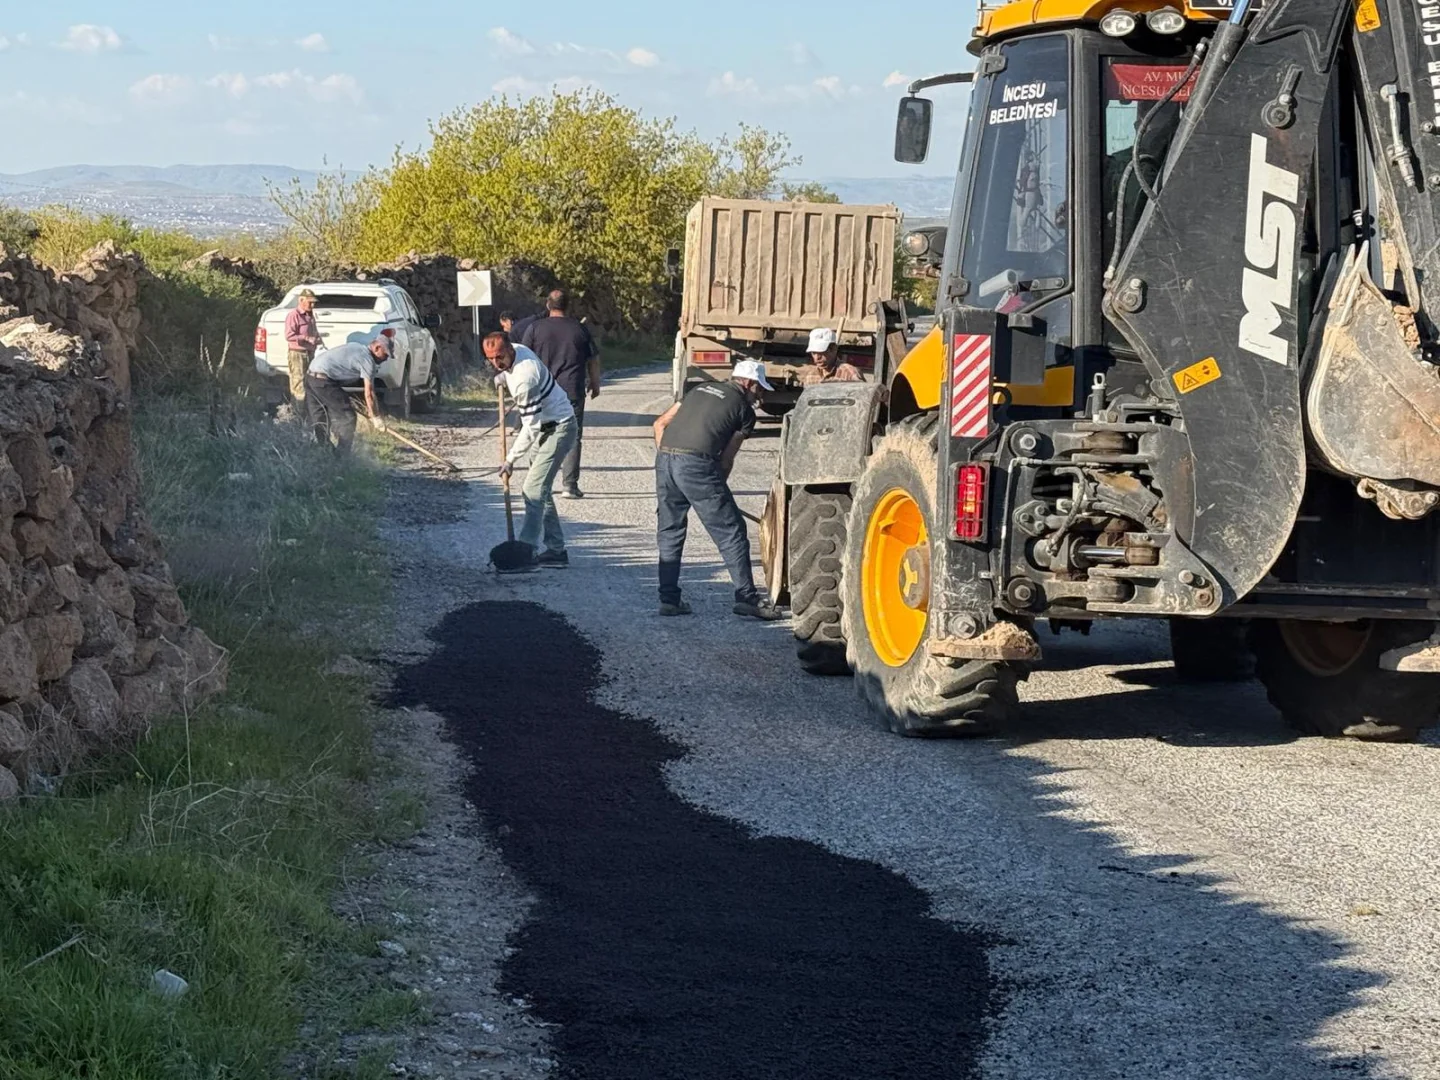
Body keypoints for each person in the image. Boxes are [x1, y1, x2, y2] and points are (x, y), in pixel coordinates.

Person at [651, 360, 782, 620]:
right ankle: (746, 598)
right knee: (732, 531)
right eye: (759, 390)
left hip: (665, 460)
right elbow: (726, 459)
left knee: (670, 530)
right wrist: (715, 488)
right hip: (697, 464)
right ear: (749, 383)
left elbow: (659, 424)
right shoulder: (744, 411)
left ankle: (669, 600)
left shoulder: (698, 390)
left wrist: (669, 461)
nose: (760, 397)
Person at [484, 332, 577, 569]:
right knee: (541, 490)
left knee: (533, 490)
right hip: (547, 425)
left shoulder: (525, 378)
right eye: (491, 359)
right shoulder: (516, 350)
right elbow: (535, 424)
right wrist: (503, 376)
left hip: (559, 427)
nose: (496, 363)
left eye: (500, 358)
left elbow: (531, 427)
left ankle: (525, 552)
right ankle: (556, 551)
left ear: (510, 350)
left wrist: (510, 459)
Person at [520, 289, 600, 500]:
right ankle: (570, 485)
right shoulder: (579, 329)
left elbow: (523, 358)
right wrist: (595, 383)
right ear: (568, 306)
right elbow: (593, 359)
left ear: (548, 305)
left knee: (540, 432)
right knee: (573, 436)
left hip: (542, 390)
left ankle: (536, 481)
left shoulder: (535, 328)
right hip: (571, 390)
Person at [305, 335, 390, 455]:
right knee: (348, 417)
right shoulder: (368, 361)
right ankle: (342, 456)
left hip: (311, 376)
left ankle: (324, 453)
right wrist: (376, 417)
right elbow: (369, 393)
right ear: (377, 347)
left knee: (320, 417)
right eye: (385, 354)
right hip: (324, 380)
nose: (386, 359)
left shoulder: (356, 346)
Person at [284, 288, 321, 413]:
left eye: (313, 302)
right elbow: (289, 335)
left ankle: (306, 414)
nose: (312, 305)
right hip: (297, 353)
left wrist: (317, 338)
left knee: (309, 383)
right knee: (298, 385)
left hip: (310, 353)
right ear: (301, 300)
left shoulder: (310, 315)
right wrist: (305, 338)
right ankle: (297, 416)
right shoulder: (294, 315)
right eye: (310, 302)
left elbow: (313, 330)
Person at [797, 326, 864, 386]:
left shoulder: (849, 373)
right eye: (813, 353)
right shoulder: (811, 376)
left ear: (834, 349)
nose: (817, 358)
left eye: (821, 352)